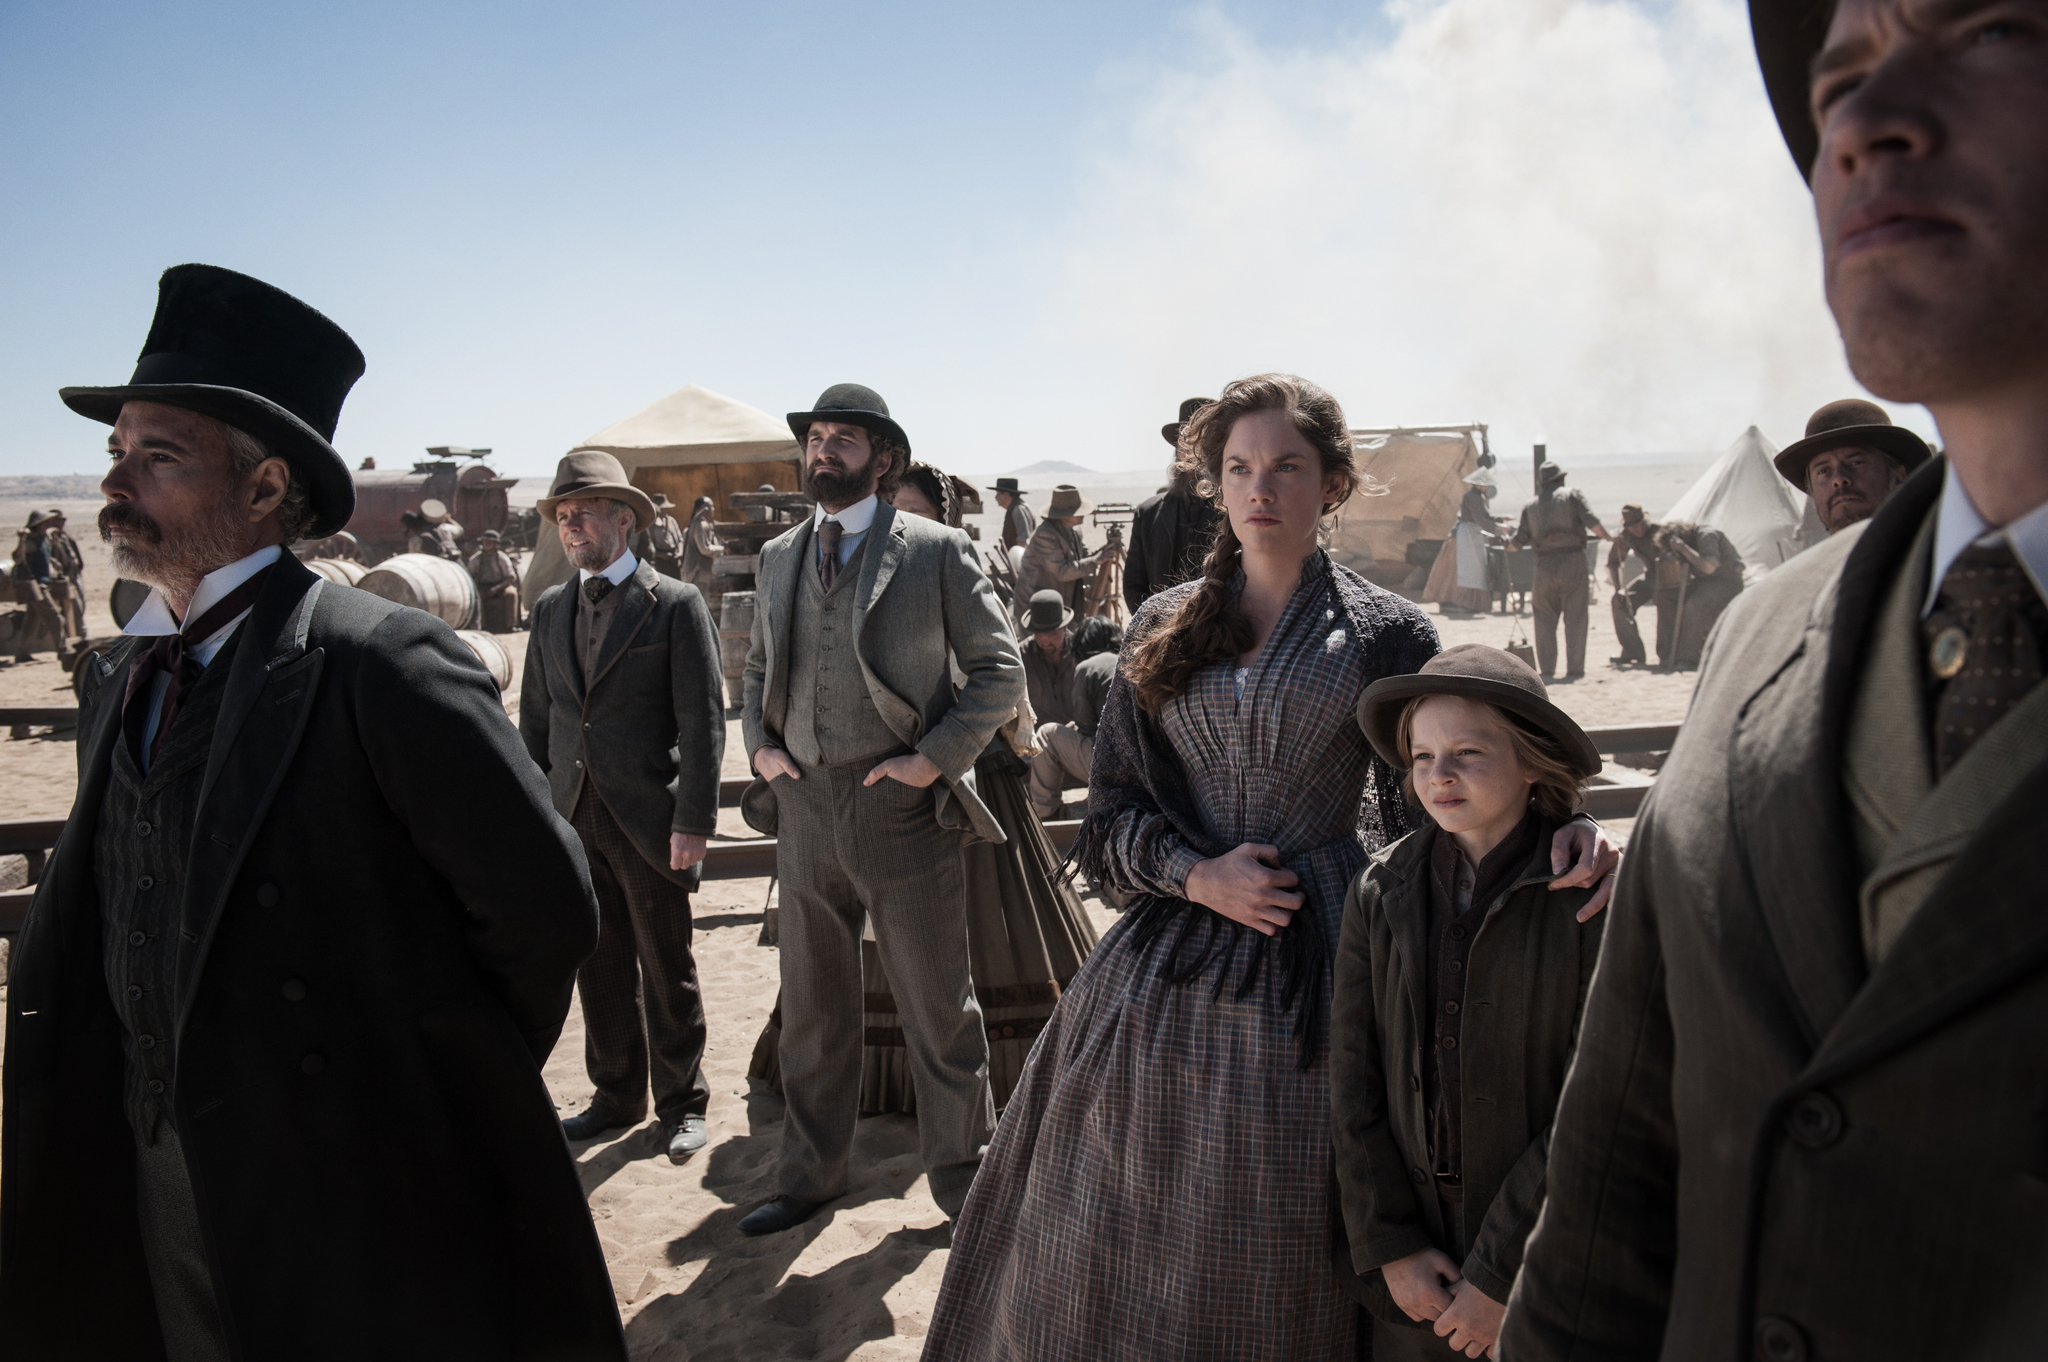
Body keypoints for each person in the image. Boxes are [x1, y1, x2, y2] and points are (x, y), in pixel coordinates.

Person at [1501, 4, 2048, 1359]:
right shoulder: (1759, 640)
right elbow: (1615, 1180)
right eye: (1840, 74)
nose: (1860, 122)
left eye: (1989, 29)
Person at [924, 373, 1617, 1360]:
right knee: (1110, 1223)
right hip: (1164, 969)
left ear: (1332, 484)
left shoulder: (1387, 632)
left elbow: (1448, 780)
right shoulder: (1162, 622)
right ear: (1215, 483)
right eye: (1239, 468)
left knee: (1297, 1201)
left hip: (1330, 951)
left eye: (1287, 467)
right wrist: (1197, 875)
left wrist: (1566, 825)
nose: (1260, 489)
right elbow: (1112, 821)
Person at [0, 264, 622, 1359]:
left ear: (262, 487)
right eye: (116, 454)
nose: (119, 485)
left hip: (341, 1182)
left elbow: (543, 911)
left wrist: (414, 1080)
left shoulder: (376, 662)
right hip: (151, 1159)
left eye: (159, 457)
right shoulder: (120, 676)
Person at [739, 384, 1025, 1236]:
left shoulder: (935, 551)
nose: (824, 451)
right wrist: (760, 748)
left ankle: (961, 1175)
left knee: (938, 1004)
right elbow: (757, 669)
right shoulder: (779, 555)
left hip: (900, 808)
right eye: (816, 438)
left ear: (883, 459)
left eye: (844, 440)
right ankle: (810, 1176)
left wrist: (929, 760)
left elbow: (998, 673)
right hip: (804, 809)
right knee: (814, 1009)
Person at [748, 459, 1099, 1114]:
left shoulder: (954, 572)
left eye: (913, 512)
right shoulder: (849, 580)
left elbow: (999, 679)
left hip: (965, 775)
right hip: (868, 787)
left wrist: (940, 749)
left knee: (981, 934)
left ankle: (974, 1092)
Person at [1333, 645, 1606, 1362]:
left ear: (1534, 762)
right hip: (1417, 1262)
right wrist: (1391, 1244)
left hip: (1552, 1254)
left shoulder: (1587, 900)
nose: (1439, 775)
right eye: (1422, 757)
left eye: (1467, 753)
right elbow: (1353, 1080)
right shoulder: (1378, 891)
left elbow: (1597, 1101)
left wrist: (1501, 1271)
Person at [520, 449, 726, 1167]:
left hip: (650, 819)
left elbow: (703, 721)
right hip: (573, 817)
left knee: (666, 964)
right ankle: (616, 1096)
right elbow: (536, 728)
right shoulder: (549, 610)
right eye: (562, 517)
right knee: (597, 964)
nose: (571, 527)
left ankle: (683, 1105)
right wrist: (538, 820)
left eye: (583, 513)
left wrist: (694, 821)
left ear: (624, 518)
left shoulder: (673, 604)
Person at [1775, 397, 1933, 534]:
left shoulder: (1935, 554)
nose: (1839, 479)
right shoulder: (1813, 568)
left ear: (1899, 478)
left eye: (1856, 463)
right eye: (1823, 471)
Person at [1510, 462, 1610, 680]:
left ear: (1542, 483)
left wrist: (1506, 542)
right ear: (1560, 480)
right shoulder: (1572, 495)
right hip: (1572, 561)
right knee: (1576, 618)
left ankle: (1547, 671)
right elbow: (1592, 522)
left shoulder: (1530, 505)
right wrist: (1609, 537)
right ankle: (1574, 670)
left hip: (1543, 566)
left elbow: (1517, 542)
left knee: (1544, 619)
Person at [1023, 594, 1118, 820]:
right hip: (1041, 749)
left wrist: (1078, 728)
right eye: (1040, 635)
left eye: (1053, 634)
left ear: (1065, 628)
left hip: (1084, 744)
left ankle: (1047, 815)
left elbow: (1089, 723)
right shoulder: (1022, 656)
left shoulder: (1083, 653)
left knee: (1047, 736)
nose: (1046, 641)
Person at [1124, 396, 1224, 610]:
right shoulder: (1149, 513)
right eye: (1185, 441)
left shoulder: (1232, 512)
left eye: (1200, 442)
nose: (1191, 451)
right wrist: (1154, 629)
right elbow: (1134, 585)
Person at [1016, 483, 1117, 627]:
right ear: (1066, 516)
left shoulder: (1072, 530)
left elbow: (1083, 557)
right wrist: (1097, 560)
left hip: (1063, 600)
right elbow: (1062, 572)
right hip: (1037, 606)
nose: (1083, 514)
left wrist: (1103, 552)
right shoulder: (1045, 535)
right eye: (1078, 511)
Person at [1652, 519, 1744, 669]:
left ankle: (1687, 658)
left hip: (1726, 582)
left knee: (1695, 604)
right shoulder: (1687, 544)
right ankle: (1669, 654)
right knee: (1664, 598)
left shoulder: (1706, 535)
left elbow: (1709, 567)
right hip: (1703, 583)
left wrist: (1683, 549)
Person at [1424, 469, 1505, 618]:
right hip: (1466, 535)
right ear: (1480, 485)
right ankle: (1462, 602)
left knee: (1473, 569)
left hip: (1472, 534)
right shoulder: (1473, 497)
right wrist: (1498, 529)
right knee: (1467, 570)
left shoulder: (1478, 497)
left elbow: (1484, 516)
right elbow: (1480, 519)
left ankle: (1469, 603)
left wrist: (1499, 520)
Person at [1606, 503, 1673, 668]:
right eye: (1633, 526)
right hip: (1650, 577)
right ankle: (1632, 652)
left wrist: (1663, 589)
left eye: (1641, 523)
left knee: (1665, 603)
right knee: (1620, 602)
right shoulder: (1625, 537)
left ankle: (1667, 654)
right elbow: (1613, 563)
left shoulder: (1660, 532)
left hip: (1669, 580)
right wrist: (1617, 590)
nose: (1639, 529)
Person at [10, 510, 66, 662]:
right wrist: (21, 540)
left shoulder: (43, 538)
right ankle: (62, 650)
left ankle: (22, 653)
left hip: (43, 584)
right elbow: (17, 558)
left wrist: (53, 560)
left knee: (32, 620)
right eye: (45, 522)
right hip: (35, 586)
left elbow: (44, 555)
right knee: (55, 617)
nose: (48, 524)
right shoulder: (29, 540)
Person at [43, 508, 87, 641]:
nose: (60, 524)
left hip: (74, 575)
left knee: (80, 603)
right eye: (56, 521)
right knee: (73, 607)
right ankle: (80, 636)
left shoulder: (66, 537)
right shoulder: (49, 540)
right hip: (63, 578)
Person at [467, 528, 521, 632]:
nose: (487, 544)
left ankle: (511, 625)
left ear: (496, 544)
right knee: (477, 597)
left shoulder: (502, 558)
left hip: (501, 585)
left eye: (490, 542)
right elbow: (469, 576)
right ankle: (482, 626)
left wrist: (496, 588)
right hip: (483, 586)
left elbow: (511, 577)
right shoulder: (476, 559)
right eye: (485, 542)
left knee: (511, 594)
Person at [635, 492, 687, 579]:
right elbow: (647, 548)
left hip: (674, 561)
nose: (664, 511)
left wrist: (680, 552)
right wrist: (662, 555)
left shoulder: (671, 520)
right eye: (662, 508)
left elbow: (680, 539)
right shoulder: (650, 524)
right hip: (660, 562)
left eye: (666, 508)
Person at [679, 494, 723, 589]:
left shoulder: (702, 524)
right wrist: (723, 548)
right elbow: (704, 549)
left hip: (701, 571)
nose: (713, 509)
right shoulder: (700, 525)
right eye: (711, 506)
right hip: (698, 572)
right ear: (704, 508)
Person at [987, 477, 1037, 554]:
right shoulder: (1014, 509)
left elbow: (1023, 541)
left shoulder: (1018, 510)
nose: (996, 497)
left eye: (998, 493)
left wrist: (1018, 561)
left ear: (1006, 495)